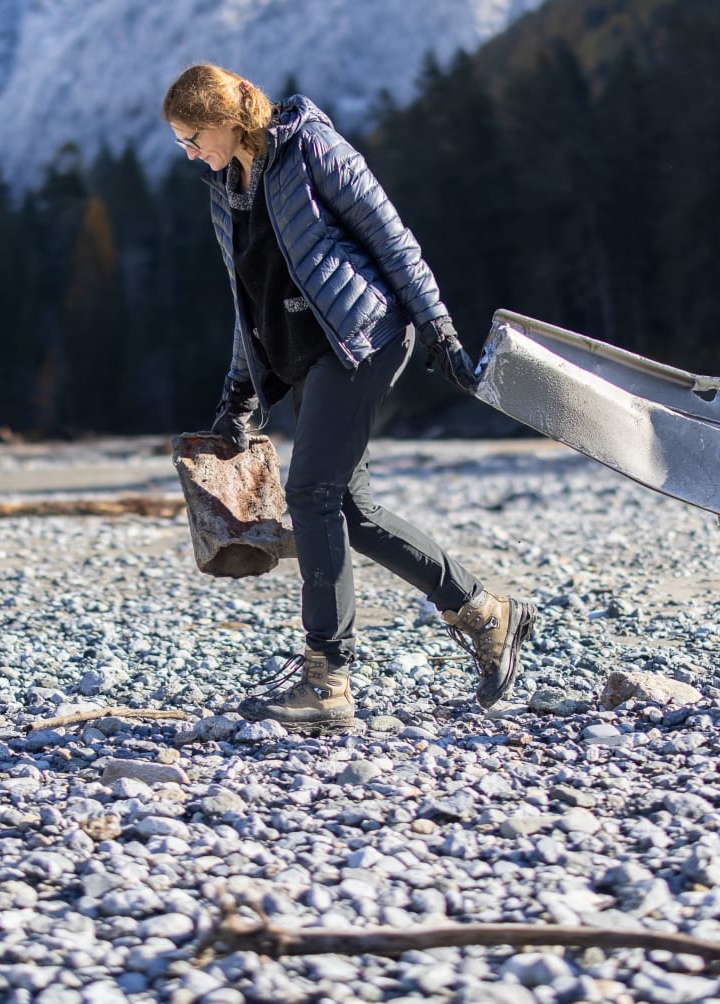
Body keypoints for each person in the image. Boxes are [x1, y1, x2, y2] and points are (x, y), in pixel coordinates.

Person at [163, 63, 535, 729]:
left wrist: (440, 328)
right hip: (305, 357)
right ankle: (485, 612)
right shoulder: (225, 191)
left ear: (225, 120)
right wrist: (240, 395)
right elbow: (245, 303)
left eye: (192, 136)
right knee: (351, 512)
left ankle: (327, 679)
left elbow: (393, 240)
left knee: (311, 494)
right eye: (182, 142)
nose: (190, 152)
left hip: (363, 337)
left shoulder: (310, 148)